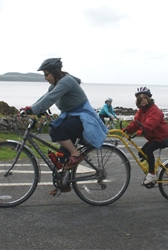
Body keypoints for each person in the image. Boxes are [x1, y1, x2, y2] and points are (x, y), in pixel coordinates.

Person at [22, 58, 108, 195]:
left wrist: (34, 110)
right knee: (62, 155)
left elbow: (50, 99)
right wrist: (30, 108)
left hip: (83, 117)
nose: (45, 78)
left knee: (56, 131)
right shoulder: (56, 84)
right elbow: (45, 97)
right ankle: (64, 184)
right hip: (72, 116)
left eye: (46, 74)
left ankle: (76, 154)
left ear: (55, 73)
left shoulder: (65, 82)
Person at [122, 87, 168, 185]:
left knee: (149, 150)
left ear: (149, 98)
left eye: (145, 98)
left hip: (162, 138)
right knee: (141, 153)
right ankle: (153, 170)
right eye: (140, 99)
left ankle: (152, 174)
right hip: (153, 138)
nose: (143, 101)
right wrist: (127, 129)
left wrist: (143, 130)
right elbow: (136, 123)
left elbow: (151, 124)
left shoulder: (154, 110)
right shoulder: (141, 111)